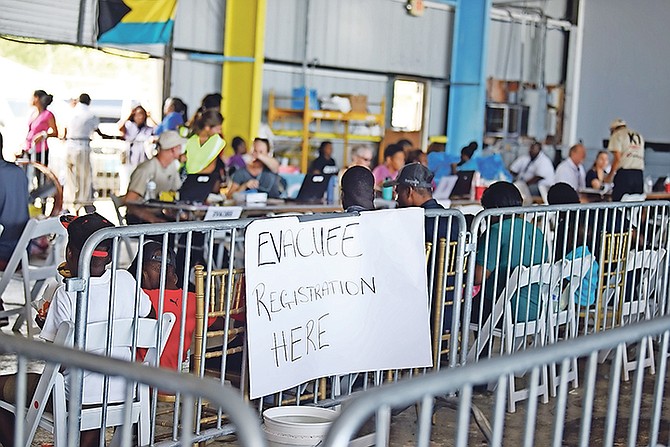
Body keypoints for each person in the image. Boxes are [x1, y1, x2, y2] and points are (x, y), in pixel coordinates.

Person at [0, 212, 152, 447]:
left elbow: (59, 364)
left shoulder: (67, 294)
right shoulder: (127, 282)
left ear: (70, 253)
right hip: (125, 389)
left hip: (77, 398)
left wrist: (49, 329)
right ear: (109, 257)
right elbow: (148, 317)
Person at [128, 241, 218, 371]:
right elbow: (222, 325)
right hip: (174, 382)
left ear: (143, 276)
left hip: (139, 383)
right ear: (175, 278)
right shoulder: (193, 300)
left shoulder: (139, 298)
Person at [473, 182, 547, 323]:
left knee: (462, 306)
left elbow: (477, 278)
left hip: (505, 309)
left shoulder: (496, 231)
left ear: (493, 210)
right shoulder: (536, 232)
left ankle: (480, 346)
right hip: (537, 309)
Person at [547, 183, 599, 308]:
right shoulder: (590, 218)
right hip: (593, 284)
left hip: (571, 292)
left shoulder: (566, 227)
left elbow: (558, 263)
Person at [124, 131, 186, 224]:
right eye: (179, 147)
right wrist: (152, 219)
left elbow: (177, 190)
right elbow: (130, 201)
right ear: (173, 149)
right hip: (140, 220)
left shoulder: (172, 166)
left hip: (158, 217)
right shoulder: (146, 169)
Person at [62, 93, 107, 210]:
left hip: (69, 145)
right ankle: (83, 202)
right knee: (84, 177)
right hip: (82, 147)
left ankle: (69, 202)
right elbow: (98, 130)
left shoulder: (70, 112)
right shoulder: (91, 114)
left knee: (70, 177)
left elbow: (64, 130)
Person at [604, 119, 645, 201]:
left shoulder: (617, 135)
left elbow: (617, 158)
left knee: (619, 206)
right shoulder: (639, 136)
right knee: (636, 205)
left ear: (613, 129)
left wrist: (609, 177)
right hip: (639, 175)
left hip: (625, 175)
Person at [184, 110, 226, 176]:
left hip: (201, 178)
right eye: (218, 129)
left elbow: (211, 166)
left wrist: (193, 178)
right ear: (207, 128)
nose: (220, 132)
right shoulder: (188, 136)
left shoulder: (218, 142)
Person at [24, 89, 58, 166]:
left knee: (40, 175)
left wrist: (44, 135)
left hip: (40, 150)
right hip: (29, 148)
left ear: (37, 98)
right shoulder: (33, 113)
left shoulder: (48, 114)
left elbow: (55, 132)